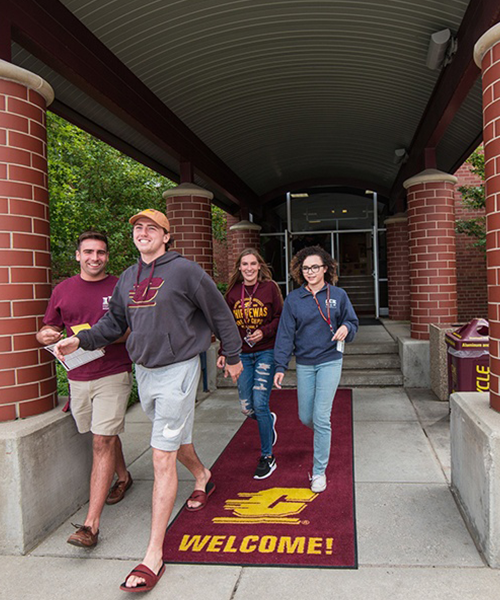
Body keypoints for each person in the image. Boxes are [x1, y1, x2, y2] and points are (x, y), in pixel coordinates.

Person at [52, 208, 242, 593]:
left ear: (166, 237)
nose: (142, 232)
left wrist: (233, 354)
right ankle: (204, 476)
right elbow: (112, 325)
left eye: (151, 228)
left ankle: (153, 554)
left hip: (180, 368)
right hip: (146, 371)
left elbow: (220, 313)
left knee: (160, 454)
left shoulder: (186, 271)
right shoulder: (127, 278)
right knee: (171, 441)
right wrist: (80, 339)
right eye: (137, 227)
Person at [36, 231, 133, 549]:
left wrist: (91, 337)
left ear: (107, 256)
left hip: (112, 372)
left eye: (101, 252)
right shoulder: (63, 290)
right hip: (77, 375)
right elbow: (49, 326)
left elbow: (131, 329)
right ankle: (123, 476)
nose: (95, 257)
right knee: (101, 432)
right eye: (89, 252)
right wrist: (47, 335)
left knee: (102, 440)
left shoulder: (119, 286)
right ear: (78, 255)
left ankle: (90, 526)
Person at [273, 245, 358, 493]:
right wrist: (280, 365)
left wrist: (347, 329)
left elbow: (352, 321)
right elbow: (285, 334)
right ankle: (324, 433)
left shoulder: (338, 295)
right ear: (301, 271)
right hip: (304, 363)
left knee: (321, 417)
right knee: (305, 417)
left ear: (325, 268)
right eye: (306, 268)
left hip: (330, 359)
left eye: (315, 267)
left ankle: (319, 471)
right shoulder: (293, 299)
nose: (310, 272)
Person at [217, 248, 283, 479]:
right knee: (247, 407)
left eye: (253, 264)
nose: (248, 268)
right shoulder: (233, 293)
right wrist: (224, 351)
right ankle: (267, 420)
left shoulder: (270, 288)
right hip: (242, 354)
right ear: (239, 268)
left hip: (266, 351)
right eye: (244, 264)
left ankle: (268, 456)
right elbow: (227, 325)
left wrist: (263, 332)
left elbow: (280, 317)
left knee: (260, 403)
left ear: (259, 266)